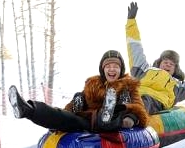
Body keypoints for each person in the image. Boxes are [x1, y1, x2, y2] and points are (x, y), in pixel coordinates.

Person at [9, 50, 149, 132]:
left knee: (108, 118)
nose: (112, 69)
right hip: (88, 121)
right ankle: (27, 109)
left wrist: (130, 118)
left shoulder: (129, 86)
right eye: (108, 66)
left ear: (121, 70)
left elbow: (139, 108)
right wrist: (60, 117)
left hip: (114, 121)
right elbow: (69, 108)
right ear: (103, 69)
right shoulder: (93, 84)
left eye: (115, 66)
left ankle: (109, 111)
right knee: (66, 115)